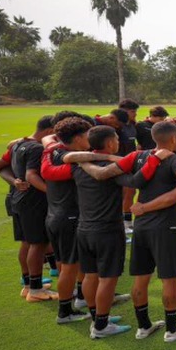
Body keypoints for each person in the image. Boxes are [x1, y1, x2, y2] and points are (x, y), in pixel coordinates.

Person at [81, 121, 176, 342]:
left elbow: (111, 172)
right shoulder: (174, 159)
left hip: (141, 226)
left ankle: (143, 327)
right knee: (169, 280)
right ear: (173, 139)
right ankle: (172, 330)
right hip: (166, 227)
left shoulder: (137, 156)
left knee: (141, 278)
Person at [71, 126, 164, 339]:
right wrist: (155, 161)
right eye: (115, 140)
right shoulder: (111, 168)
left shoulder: (78, 165)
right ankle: (101, 326)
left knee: (90, 274)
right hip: (107, 230)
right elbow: (136, 181)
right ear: (111, 143)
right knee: (107, 279)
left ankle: (96, 319)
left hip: (84, 228)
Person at [41, 117, 129, 323]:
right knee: (70, 267)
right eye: (87, 135)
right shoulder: (73, 159)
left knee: (77, 266)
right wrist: (110, 158)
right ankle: (65, 312)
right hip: (69, 217)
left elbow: (49, 141)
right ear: (79, 137)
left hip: (55, 215)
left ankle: (84, 303)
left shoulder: (53, 149)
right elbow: (80, 162)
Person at [8, 117, 56, 302]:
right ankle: (36, 291)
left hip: (19, 200)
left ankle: (28, 285)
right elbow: (31, 175)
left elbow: (6, 168)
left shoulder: (19, 144)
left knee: (27, 242)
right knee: (38, 243)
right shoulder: (37, 148)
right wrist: (51, 192)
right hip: (34, 201)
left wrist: (14, 182)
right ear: (49, 130)